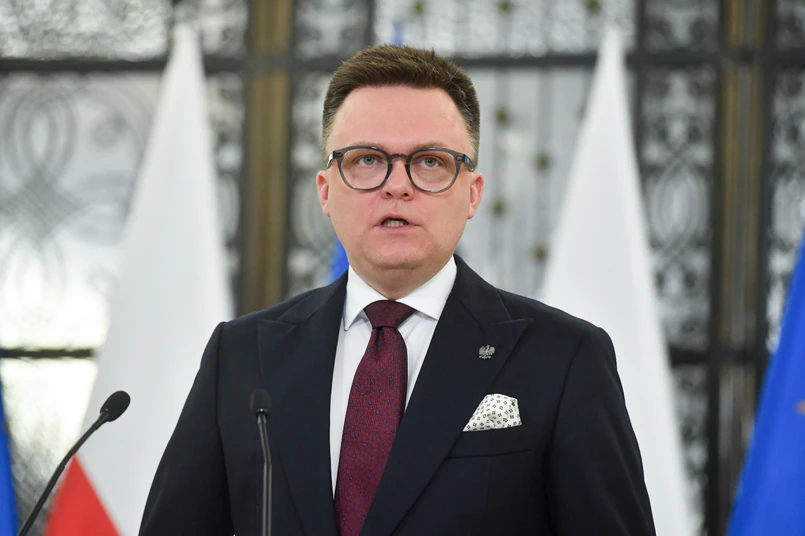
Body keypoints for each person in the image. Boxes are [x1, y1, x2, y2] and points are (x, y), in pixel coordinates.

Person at [140, 45, 655, 536]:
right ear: (326, 191)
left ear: (472, 193)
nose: (397, 185)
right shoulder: (241, 357)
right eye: (367, 160)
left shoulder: (563, 359)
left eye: (430, 161)